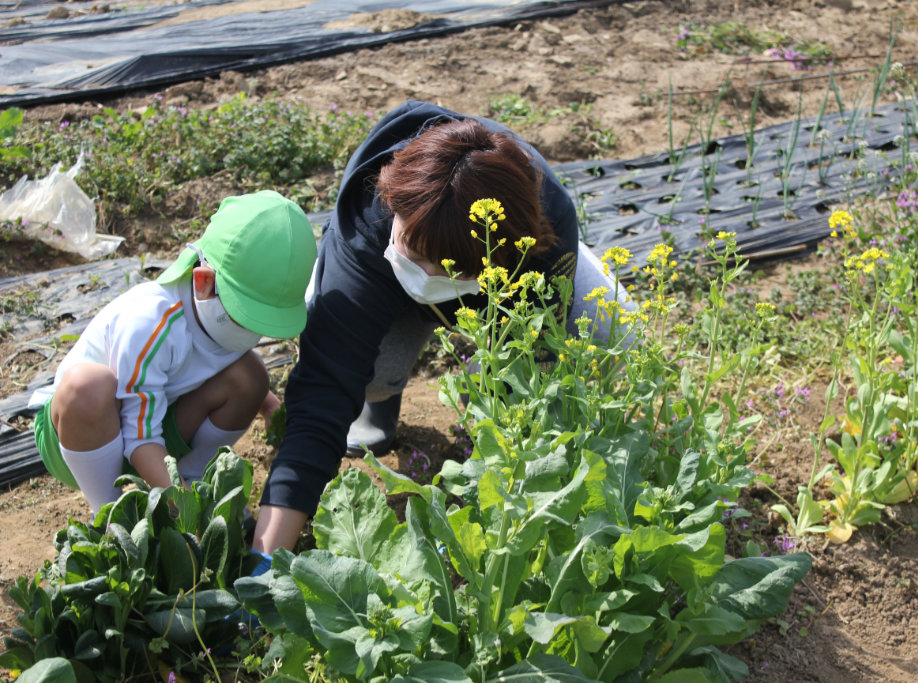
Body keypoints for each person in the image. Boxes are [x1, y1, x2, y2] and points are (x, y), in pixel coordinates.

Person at [253, 100, 633, 553]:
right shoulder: (370, 219)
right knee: (363, 375)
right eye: (416, 256)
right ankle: (381, 403)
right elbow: (321, 395)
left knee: (611, 331)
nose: (429, 277)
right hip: (389, 283)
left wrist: (498, 493)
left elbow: (525, 380)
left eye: (447, 269)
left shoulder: (535, 236)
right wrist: (265, 554)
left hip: (505, 280)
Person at [28, 191, 317, 513]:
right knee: (88, 384)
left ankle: (192, 481)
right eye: (245, 315)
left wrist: (269, 406)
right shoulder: (150, 323)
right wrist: (179, 511)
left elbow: (219, 362)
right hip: (81, 433)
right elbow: (140, 437)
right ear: (203, 282)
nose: (252, 331)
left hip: (156, 417)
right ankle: (110, 513)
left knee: (250, 375)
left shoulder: (216, 311)